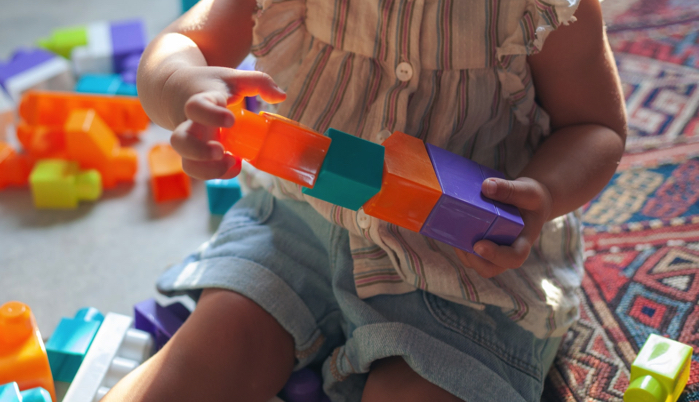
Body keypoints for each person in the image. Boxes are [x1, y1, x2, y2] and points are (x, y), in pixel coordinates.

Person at [105, 0, 626, 400]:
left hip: (465, 263)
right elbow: (181, 45)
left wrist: (545, 192)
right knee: (210, 353)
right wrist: (182, 86)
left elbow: (595, 126)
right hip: (298, 223)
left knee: (427, 386)